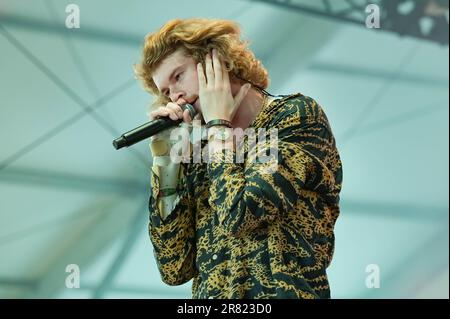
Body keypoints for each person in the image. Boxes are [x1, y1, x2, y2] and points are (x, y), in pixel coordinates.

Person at [134, 18, 343, 299]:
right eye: (167, 92)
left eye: (178, 76)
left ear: (216, 60)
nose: (176, 95)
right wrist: (166, 163)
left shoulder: (293, 116)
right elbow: (173, 268)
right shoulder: (200, 154)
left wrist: (218, 125)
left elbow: (242, 214)